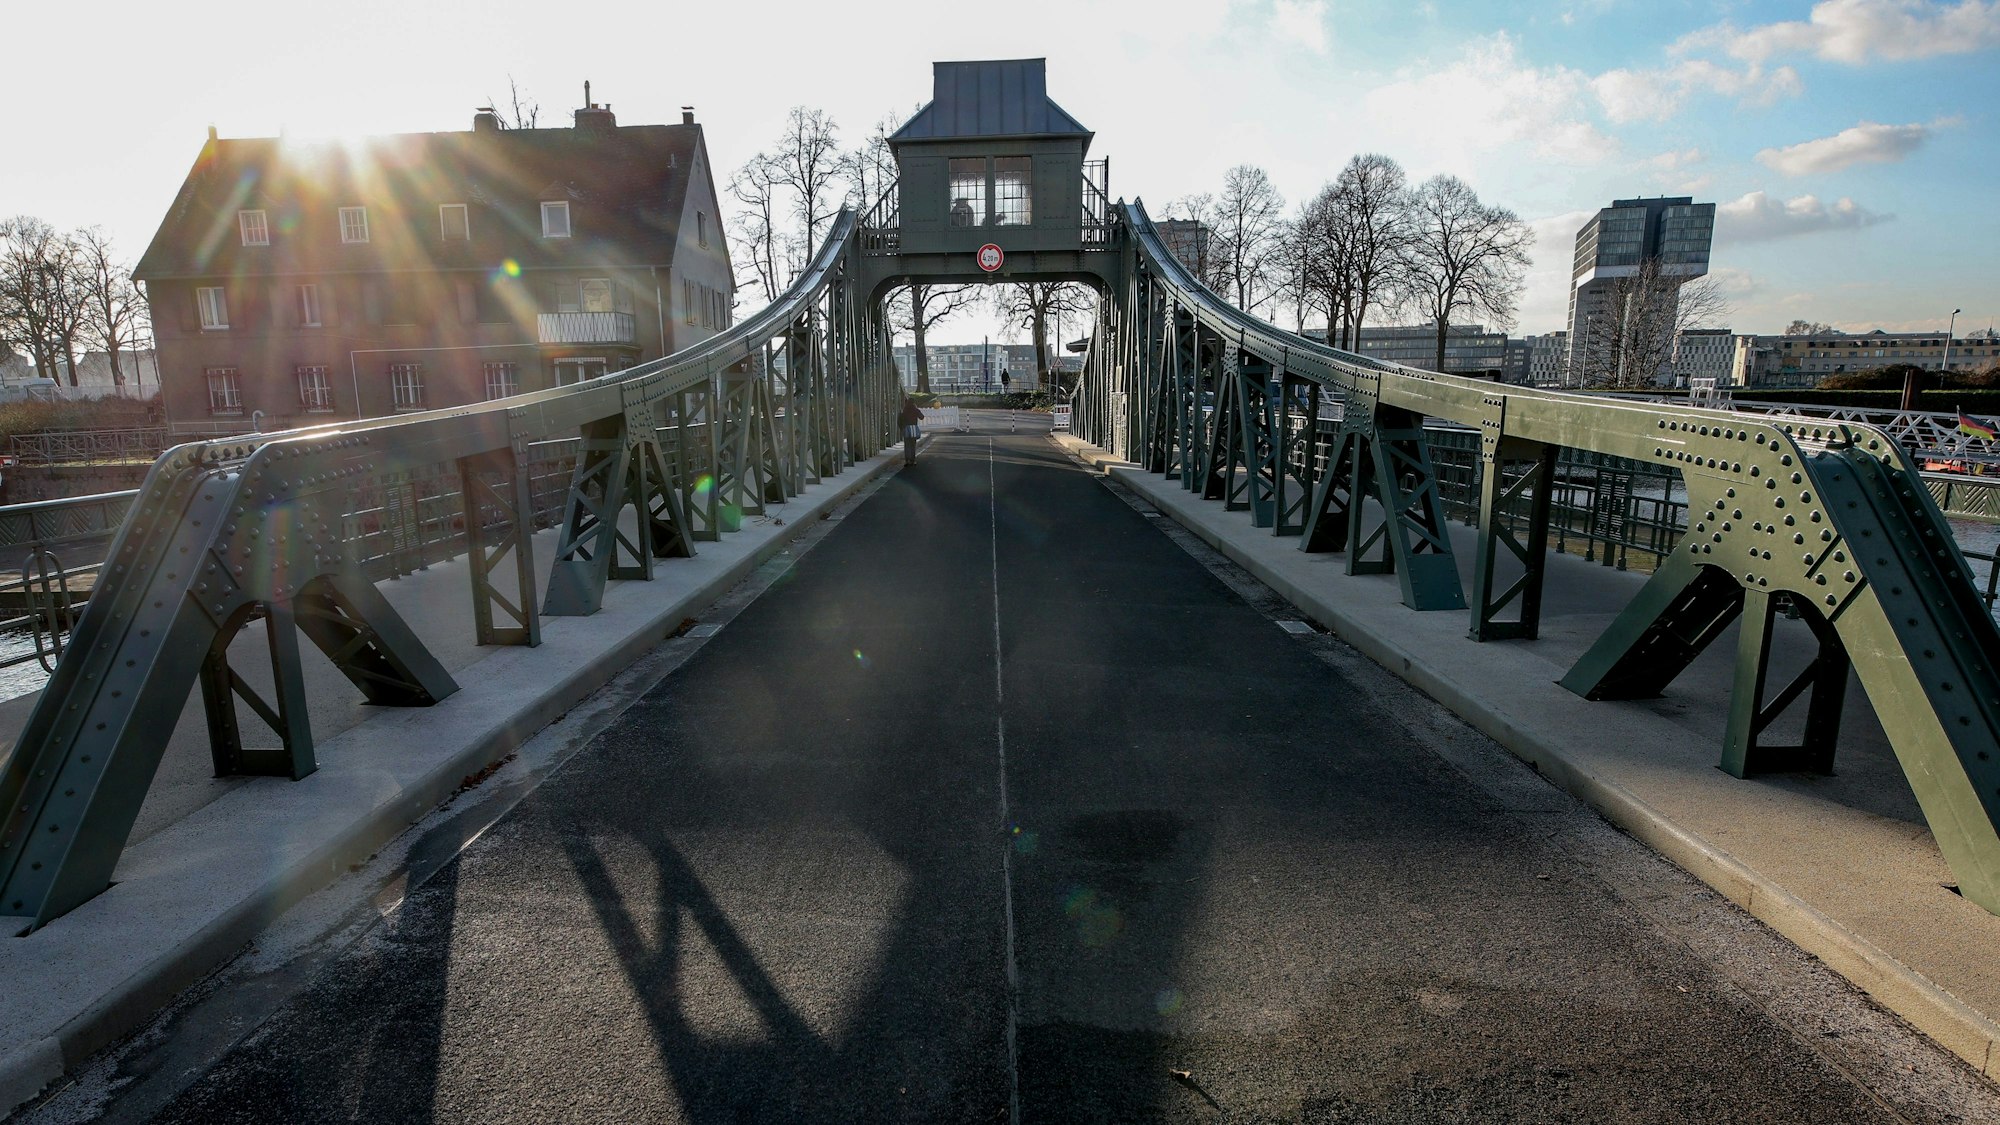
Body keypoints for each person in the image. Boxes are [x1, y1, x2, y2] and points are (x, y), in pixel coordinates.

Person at [898, 395, 925, 466]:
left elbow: (900, 420)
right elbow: (922, 417)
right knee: (913, 445)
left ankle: (907, 460)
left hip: (906, 429)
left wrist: (902, 428)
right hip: (913, 429)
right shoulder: (915, 410)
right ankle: (912, 460)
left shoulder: (904, 410)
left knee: (907, 445)